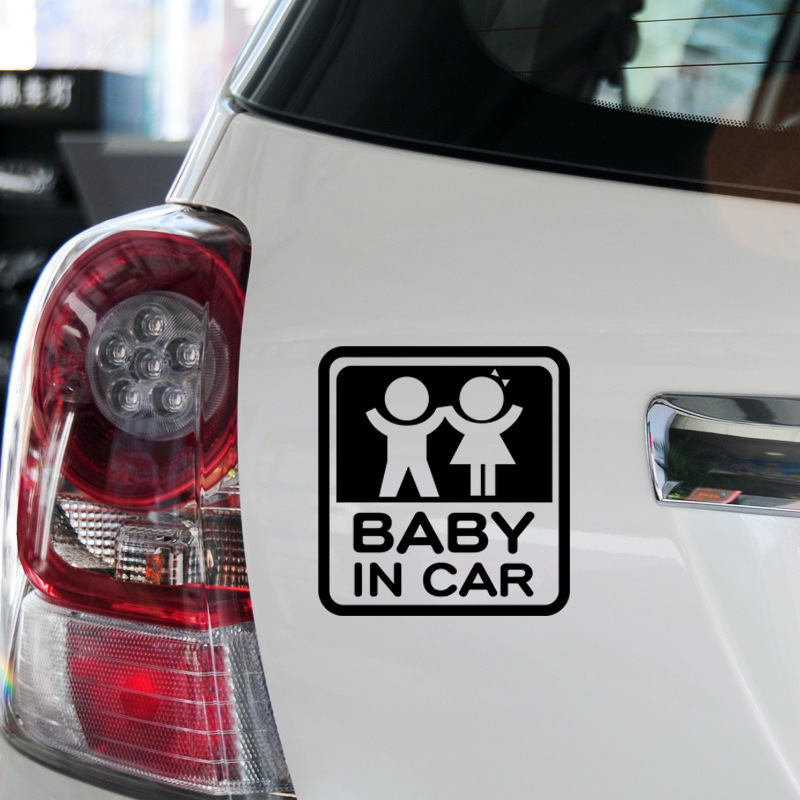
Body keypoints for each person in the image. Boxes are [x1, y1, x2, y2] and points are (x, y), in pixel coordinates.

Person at [367, 376, 447, 497]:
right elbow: (435, 420)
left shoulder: (398, 428)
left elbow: (377, 420)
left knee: (424, 488)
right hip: (400, 460)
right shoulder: (418, 427)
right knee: (391, 489)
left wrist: (371, 411)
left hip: (415, 460)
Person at [447, 375, 522, 497]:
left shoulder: (484, 426)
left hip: (490, 446)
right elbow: (456, 422)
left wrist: (515, 408)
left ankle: (488, 493)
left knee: (489, 469)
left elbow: (507, 421)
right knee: (475, 469)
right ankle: (477, 494)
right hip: (474, 446)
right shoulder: (472, 426)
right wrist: (515, 408)